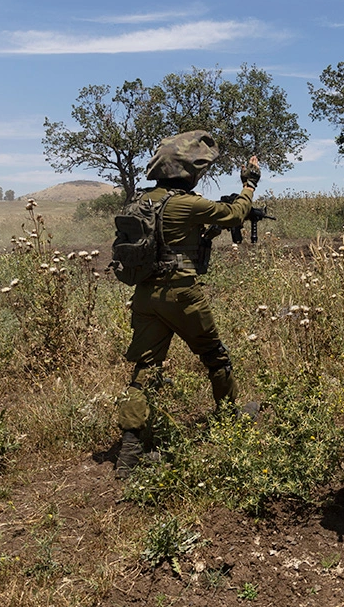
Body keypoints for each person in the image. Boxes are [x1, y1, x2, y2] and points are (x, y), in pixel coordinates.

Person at [114, 130, 260, 478]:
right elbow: (236, 214)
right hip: (181, 292)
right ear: (186, 172)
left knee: (146, 370)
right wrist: (249, 184)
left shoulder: (141, 203)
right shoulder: (188, 204)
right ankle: (229, 420)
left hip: (146, 296)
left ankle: (129, 455)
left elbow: (165, 239)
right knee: (215, 355)